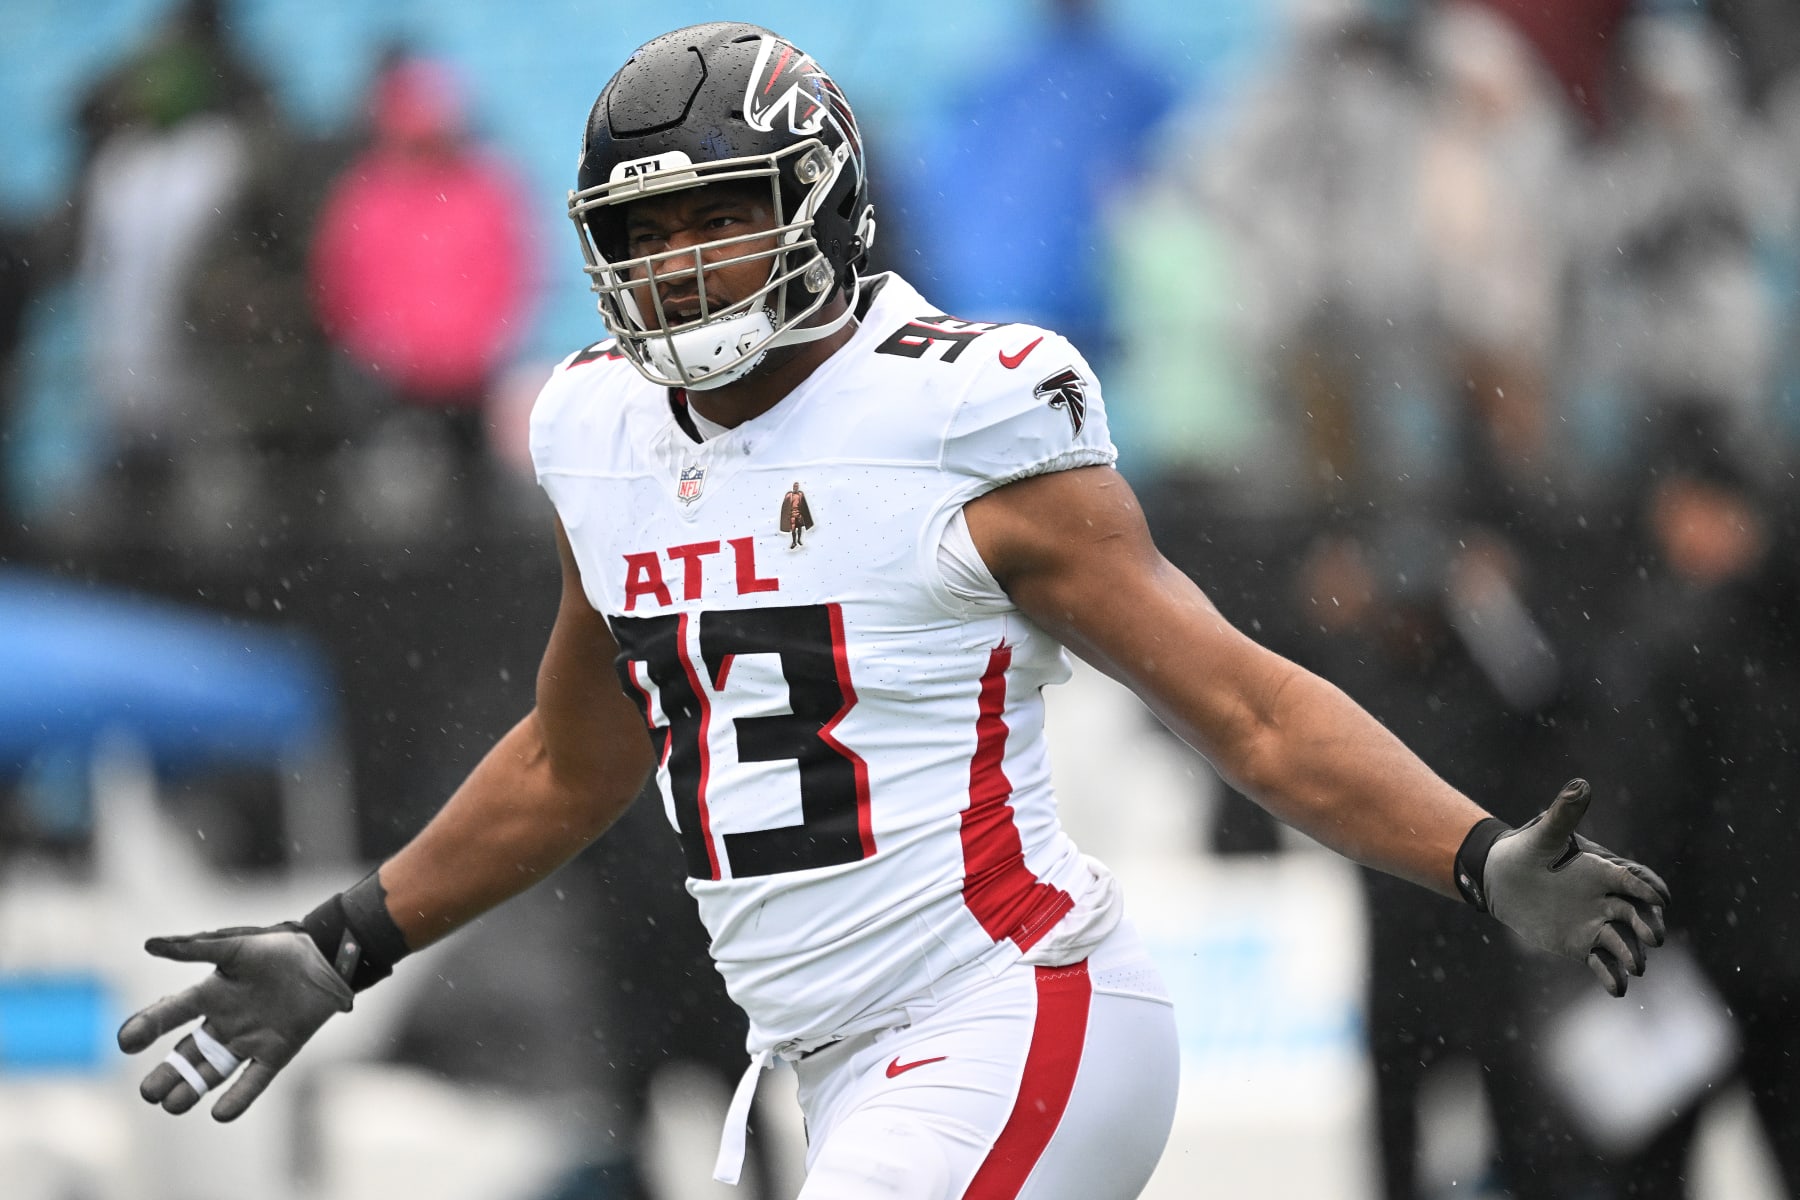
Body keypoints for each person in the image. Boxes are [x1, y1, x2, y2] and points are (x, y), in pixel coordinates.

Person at [117, 24, 1671, 1200]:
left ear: (822, 207)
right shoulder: (602, 430)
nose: (672, 267)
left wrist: (1470, 855)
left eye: (712, 217)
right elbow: (573, 755)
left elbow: (1242, 701)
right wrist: (345, 940)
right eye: (640, 234)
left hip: (1016, 1010)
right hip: (831, 1064)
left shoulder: (960, 416)